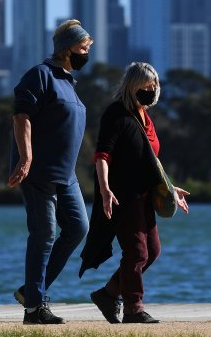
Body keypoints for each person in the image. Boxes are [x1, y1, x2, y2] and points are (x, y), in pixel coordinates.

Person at [79, 62, 190, 324]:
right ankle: (133, 308)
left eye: (154, 85)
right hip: (122, 196)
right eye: (145, 85)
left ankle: (107, 294)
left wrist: (169, 188)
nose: (151, 90)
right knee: (137, 252)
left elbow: (149, 161)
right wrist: (105, 189)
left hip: (144, 195)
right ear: (132, 85)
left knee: (152, 251)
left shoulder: (144, 116)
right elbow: (102, 155)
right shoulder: (116, 114)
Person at [7, 19, 93, 324]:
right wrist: (26, 157)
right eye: (83, 47)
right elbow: (21, 116)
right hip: (39, 171)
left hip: (66, 175)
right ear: (68, 48)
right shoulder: (40, 75)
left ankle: (31, 290)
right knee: (44, 234)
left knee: (78, 228)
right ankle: (34, 308)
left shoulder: (68, 81)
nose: (86, 53)